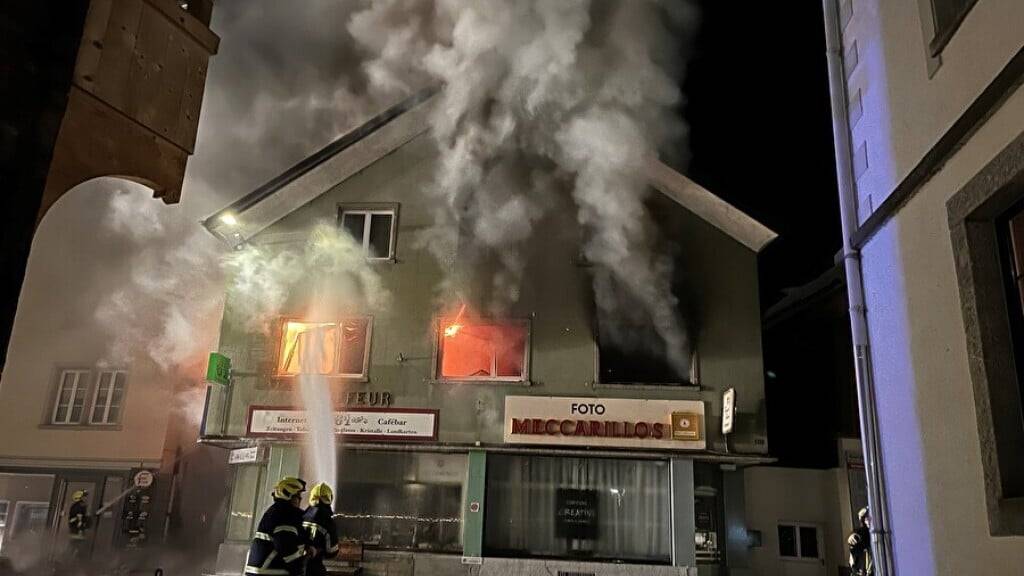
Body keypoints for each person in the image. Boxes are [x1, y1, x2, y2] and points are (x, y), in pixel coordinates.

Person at [245, 476, 309, 576]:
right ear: (288, 495)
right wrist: (298, 568)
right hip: (270, 570)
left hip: (261, 569)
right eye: (298, 496)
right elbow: (285, 544)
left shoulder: (276, 511)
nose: (300, 499)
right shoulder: (285, 514)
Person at [302, 483, 339, 576]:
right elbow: (332, 552)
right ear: (329, 498)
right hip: (314, 568)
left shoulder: (302, 515)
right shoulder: (327, 521)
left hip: (295, 566)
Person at [847, 506, 874, 576]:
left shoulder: (872, 533)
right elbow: (858, 535)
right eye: (865, 518)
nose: (868, 520)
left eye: (869, 517)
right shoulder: (863, 533)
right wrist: (852, 537)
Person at [67, 489, 91, 558]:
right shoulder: (78, 506)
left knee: (75, 547)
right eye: (84, 497)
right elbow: (79, 518)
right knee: (76, 547)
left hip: (77, 532)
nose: (86, 498)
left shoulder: (79, 506)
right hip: (77, 532)